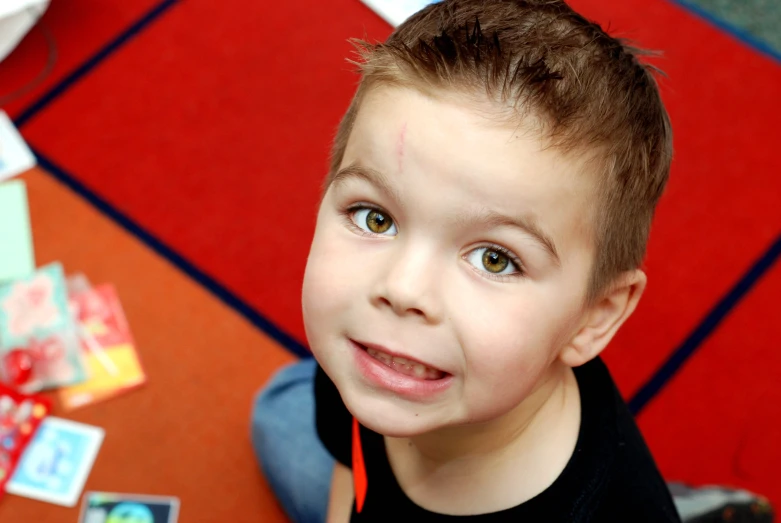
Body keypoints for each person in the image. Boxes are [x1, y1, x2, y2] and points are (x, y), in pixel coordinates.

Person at [250, 1, 775, 521]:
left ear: (595, 315)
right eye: (375, 218)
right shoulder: (380, 348)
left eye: (495, 259)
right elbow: (353, 465)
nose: (401, 289)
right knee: (278, 411)